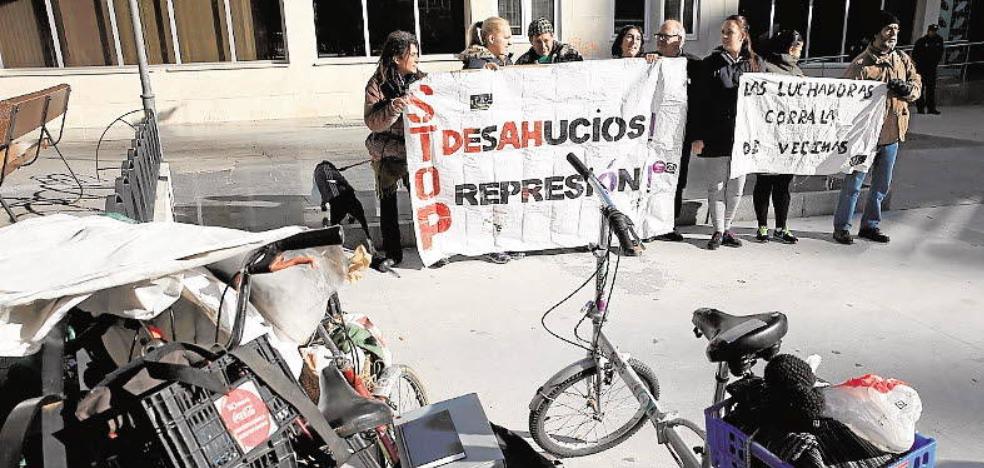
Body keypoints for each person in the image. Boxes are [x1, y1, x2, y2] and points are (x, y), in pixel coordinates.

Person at [833, 12, 921, 245]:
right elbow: (844, 98)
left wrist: (906, 90)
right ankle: (842, 227)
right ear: (876, 33)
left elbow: (917, 86)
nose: (893, 33)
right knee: (854, 184)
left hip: (892, 134)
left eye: (896, 29)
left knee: (881, 185)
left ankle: (870, 225)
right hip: (865, 138)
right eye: (888, 29)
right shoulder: (861, 64)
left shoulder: (902, 60)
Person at [691, 15, 762, 250]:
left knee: (737, 187)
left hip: (742, 137)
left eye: (729, 32)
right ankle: (718, 231)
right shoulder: (710, 63)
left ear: (742, 36)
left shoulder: (754, 64)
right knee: (717, 186)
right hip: (715, 134)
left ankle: (728, 228)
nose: (724, 36)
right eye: (722, 31)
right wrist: (697, 136)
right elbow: (698, 102)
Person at [363, 31, 425, 267]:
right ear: (398, 58)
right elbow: (372, 122)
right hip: (386, 154)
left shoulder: (423, 81)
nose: (417, 58)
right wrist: (393, 108)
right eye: (413, 54)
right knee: (388, 207)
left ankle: (428, 247)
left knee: (422, 202)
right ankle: (392, 253)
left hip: (415, 154)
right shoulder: (376, 85)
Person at [649, 19, 701, 242]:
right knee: (649, 178)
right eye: (658, 35)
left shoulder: (694, 65)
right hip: (651, 134)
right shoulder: (650, 60)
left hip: (680, 135)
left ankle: (668, 224)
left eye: (665, 36)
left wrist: (698, 134)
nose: (660, 40)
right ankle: (648, 224)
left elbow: (701, 102)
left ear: (679, 39)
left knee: (675, 178)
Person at [753, 29, 805, 244]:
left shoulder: (798, 72)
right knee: (766, 183)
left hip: (788, 138)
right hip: (768, 136)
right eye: (799, 48)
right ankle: (764, 225)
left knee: (782, 185)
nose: (801, 52)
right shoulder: (765, 68)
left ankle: (780, 226)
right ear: (791, 48)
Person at [515, 17, 583, 65]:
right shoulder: (523, 62)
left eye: (546, 40)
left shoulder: (569, 54)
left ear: (552, 37)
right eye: (538, 42)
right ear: (531, 41)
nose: (543, 46)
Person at [912, 24, 943, 115]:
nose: (933, 33)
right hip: (922, 68)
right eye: (932, 31)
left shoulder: (938, 40)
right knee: (920, 88)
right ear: (928, 31)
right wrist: (920, 63)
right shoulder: (921, 41)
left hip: (932, 68)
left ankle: (931, 108)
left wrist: (935, 62)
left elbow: (940, 52)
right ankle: (920, 108)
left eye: (935, 31)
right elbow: (915, 54)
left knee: (931, 89)